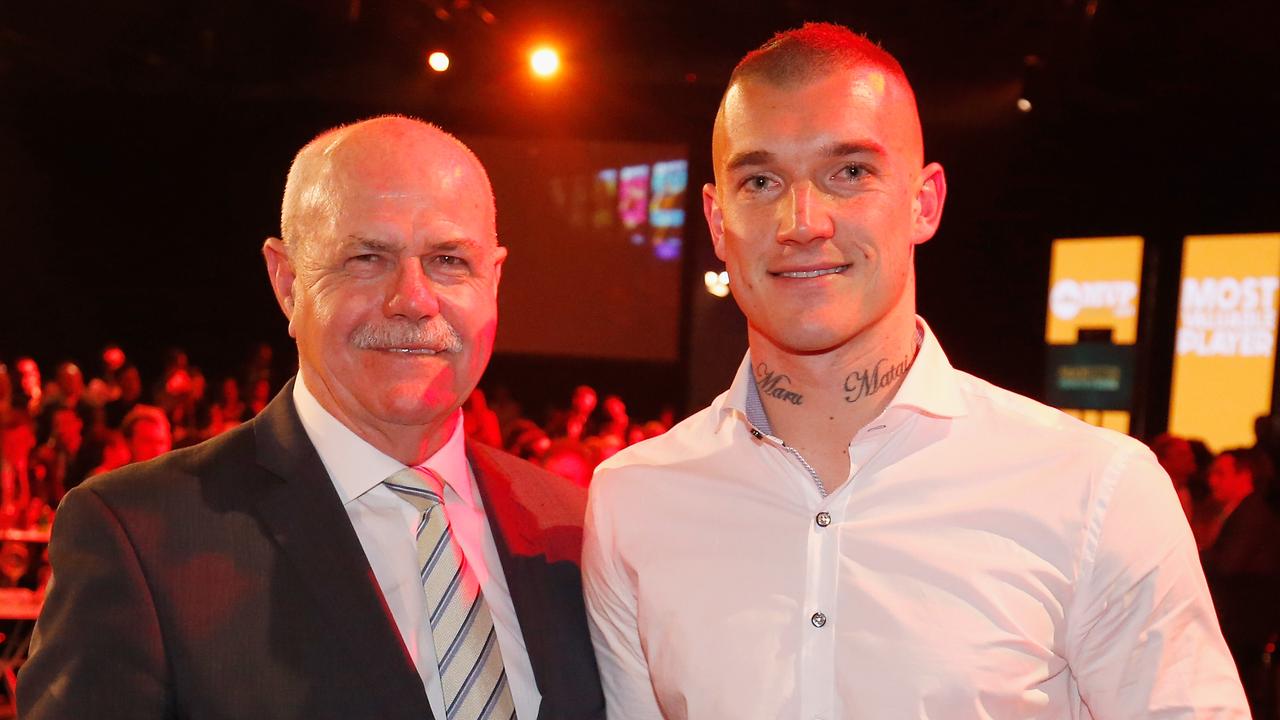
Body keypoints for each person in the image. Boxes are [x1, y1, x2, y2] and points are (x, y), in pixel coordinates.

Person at [583, 23, 1246, 718]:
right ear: (718, 224)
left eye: (849, 173)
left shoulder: (1095, 490)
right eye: (760, 180)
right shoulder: (634, 500)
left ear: (923, 202)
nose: (801, 221)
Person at [19, 116, 604, 719]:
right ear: (289, 282)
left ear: (495, 280)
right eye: (367, 258)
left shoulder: (582, 528)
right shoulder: (141, 536)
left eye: (450, 260)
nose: (414, 299)